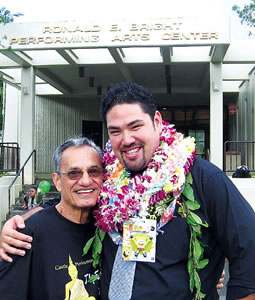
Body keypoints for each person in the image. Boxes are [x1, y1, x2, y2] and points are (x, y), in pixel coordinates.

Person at [0, 82, 254, 299]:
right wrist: (19, 223)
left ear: (156, 121)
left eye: (135, 126)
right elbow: (74, 197)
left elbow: (248, 250)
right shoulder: (108, 178)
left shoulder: (202, 179)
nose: (127, 139)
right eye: (115, 131)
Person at [0, 137, 102, 300]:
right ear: (57, 181)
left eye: (94, 171)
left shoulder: (109, 227)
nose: (85, 181)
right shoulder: (25, 236)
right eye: (74, 173)